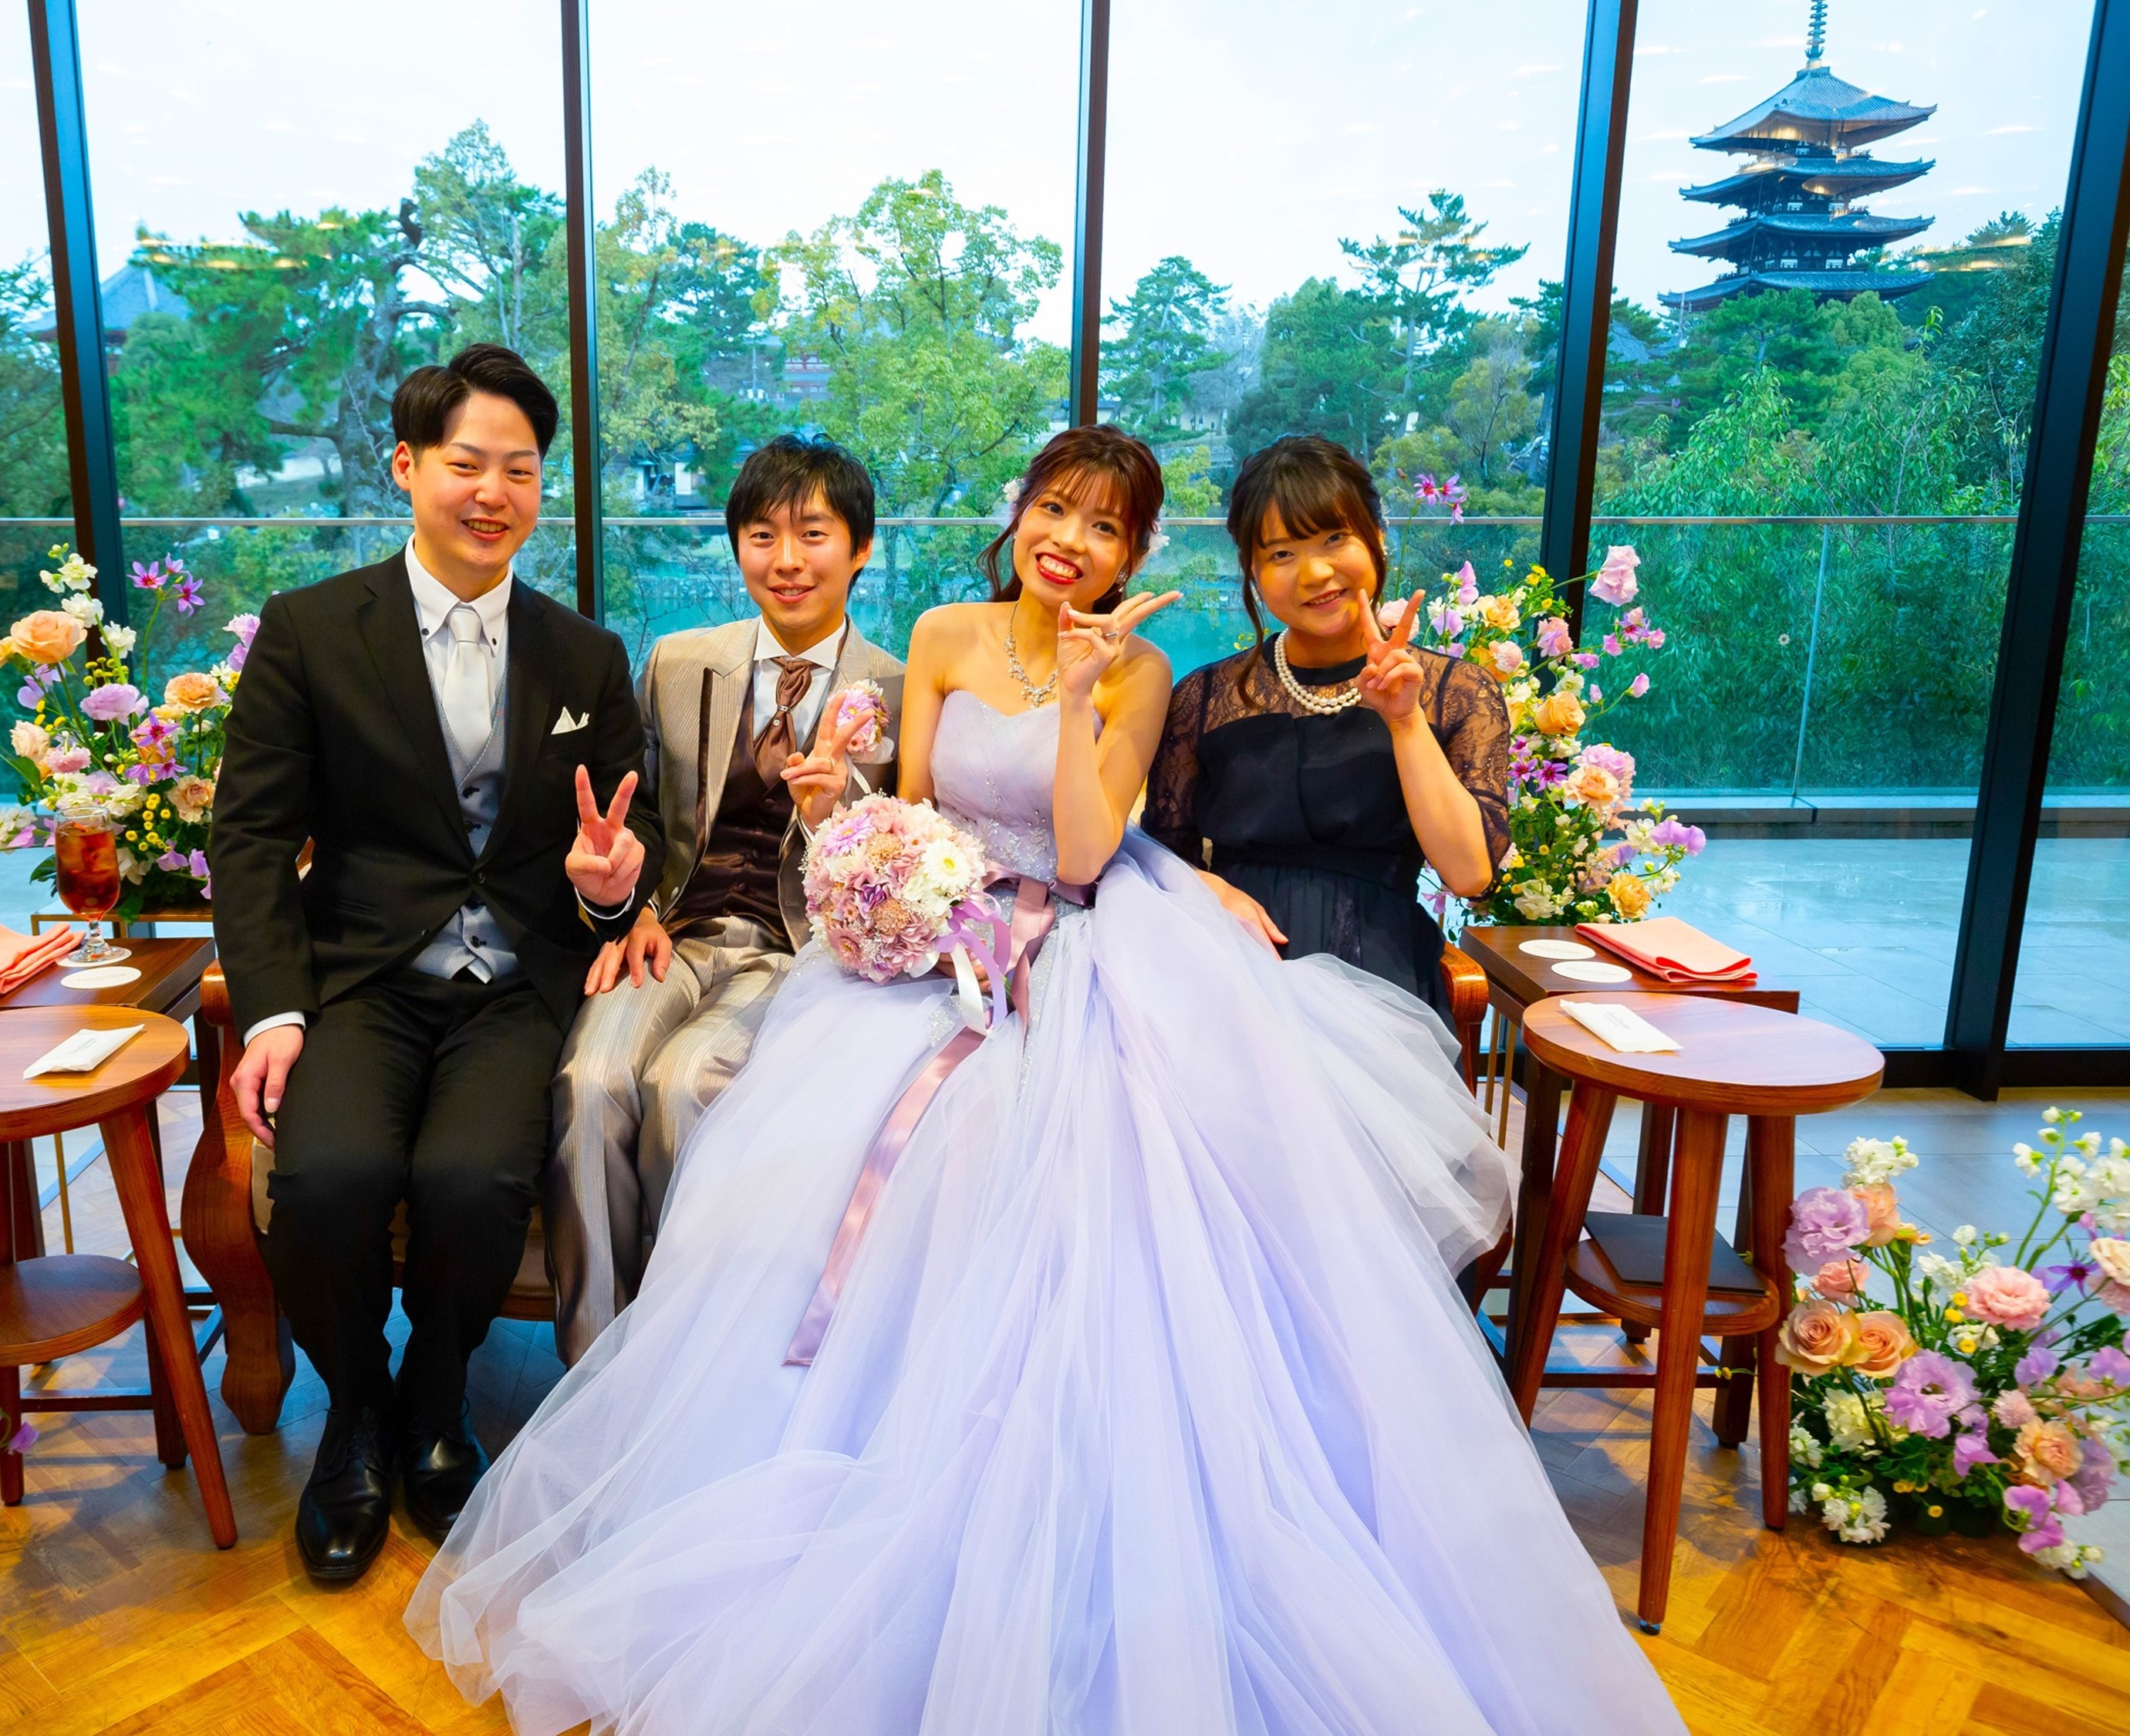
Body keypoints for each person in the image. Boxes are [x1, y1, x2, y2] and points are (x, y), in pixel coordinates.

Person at [405, 425, 1685, 1734]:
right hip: (932, 949)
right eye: (1055, 510)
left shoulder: (1142, 672)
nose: (1071, 540)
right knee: (821, 1151)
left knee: (1060, 1177)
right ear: (1018, 514)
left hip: (1071, 941)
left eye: (1106, 526)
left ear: (1134, 554)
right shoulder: (946, 636)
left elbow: (1081, 857)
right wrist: (869, 862)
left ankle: (1046, 1498)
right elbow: (912, 813)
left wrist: (1078, 700)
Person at [209, 343, 661, 1577]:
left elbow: (631, 836)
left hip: (513, 986)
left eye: (519, 468)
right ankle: (356, 1409)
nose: (492, 491)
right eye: (466, 462)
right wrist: (272, 1013)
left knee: (472, 1182)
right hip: (360, 978)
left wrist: (612, 887)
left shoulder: (583, 653)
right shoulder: (312, 631)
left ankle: (437, 1393)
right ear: (407, 467)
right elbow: (247, 835)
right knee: (323, 1179)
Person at [549, 435, 905, 1365]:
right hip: (675, 930)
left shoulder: (898, 690)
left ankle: (686, 1356)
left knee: (685, 1086)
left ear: (861, 548)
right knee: (591, 1081)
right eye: (761, 536)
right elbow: (639, 818)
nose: (786, 561)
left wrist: (832, 816)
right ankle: (593, 1361)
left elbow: (896, 867)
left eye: (814, 535)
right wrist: (627, 906)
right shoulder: (677, 663)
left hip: (796, 952)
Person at [1147, 434, 1508, 1025]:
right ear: (1252, 571)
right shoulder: (1205, 697)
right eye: (1280, 554)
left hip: (1378, 979)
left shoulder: (1455, 692)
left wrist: (1404, 721)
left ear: (1376, 536)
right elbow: (1160, 860)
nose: (1315, 572)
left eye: (1334, 538)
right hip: (1228, 973)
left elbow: (1468, 874)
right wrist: (1209, 890)